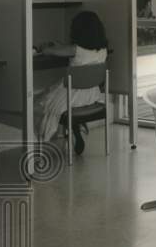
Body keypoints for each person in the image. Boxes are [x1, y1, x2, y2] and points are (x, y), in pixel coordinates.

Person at [34, 10, 109, 152]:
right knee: (65, 102)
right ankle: (76, 132)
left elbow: (48, 52)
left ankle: (39, 144)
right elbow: (69, 50)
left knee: (40, 102)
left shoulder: (75, 49)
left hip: (72, 96)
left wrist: (44, 47)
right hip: (91, 96)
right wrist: (60, 45)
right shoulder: (103, 51)